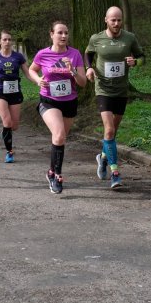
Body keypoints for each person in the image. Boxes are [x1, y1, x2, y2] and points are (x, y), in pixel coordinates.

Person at [85, 6, 145, 189]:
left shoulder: (130, 38)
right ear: (106, 20)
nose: (116, 23)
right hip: (103, 89)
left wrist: (135, 62)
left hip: (121, 90)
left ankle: (102, 157)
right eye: (113, 20)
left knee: (112, 133)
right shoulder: (96, 38)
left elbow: (142, 56)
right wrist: (89, 68)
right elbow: (88, 54)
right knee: (109, 130)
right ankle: (115, 173)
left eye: (119, 20)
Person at [28, 21, 87, 194]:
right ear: (51, 34)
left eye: (66, 33)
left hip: (69, 102)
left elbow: (83, 83)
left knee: (60, 138)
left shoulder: (75, 54)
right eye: (60, 33)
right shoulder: (43, 54)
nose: (63, 36)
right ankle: (57, 177)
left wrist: (73, 71)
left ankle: (51, 170)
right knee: (59, 135)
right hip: (49, 100)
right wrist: (38, 80)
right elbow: (32, 70)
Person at [0, 30, 32, 163]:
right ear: (0, 42)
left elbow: (27, 73)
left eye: (10, 39)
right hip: (0, 91)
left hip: (15, 92)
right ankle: (9, 152)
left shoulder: (18, 57)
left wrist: (39, 81)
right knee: (7, 122)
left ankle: (5, 133)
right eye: (5, 39)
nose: (8, 42)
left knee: (14, 126)